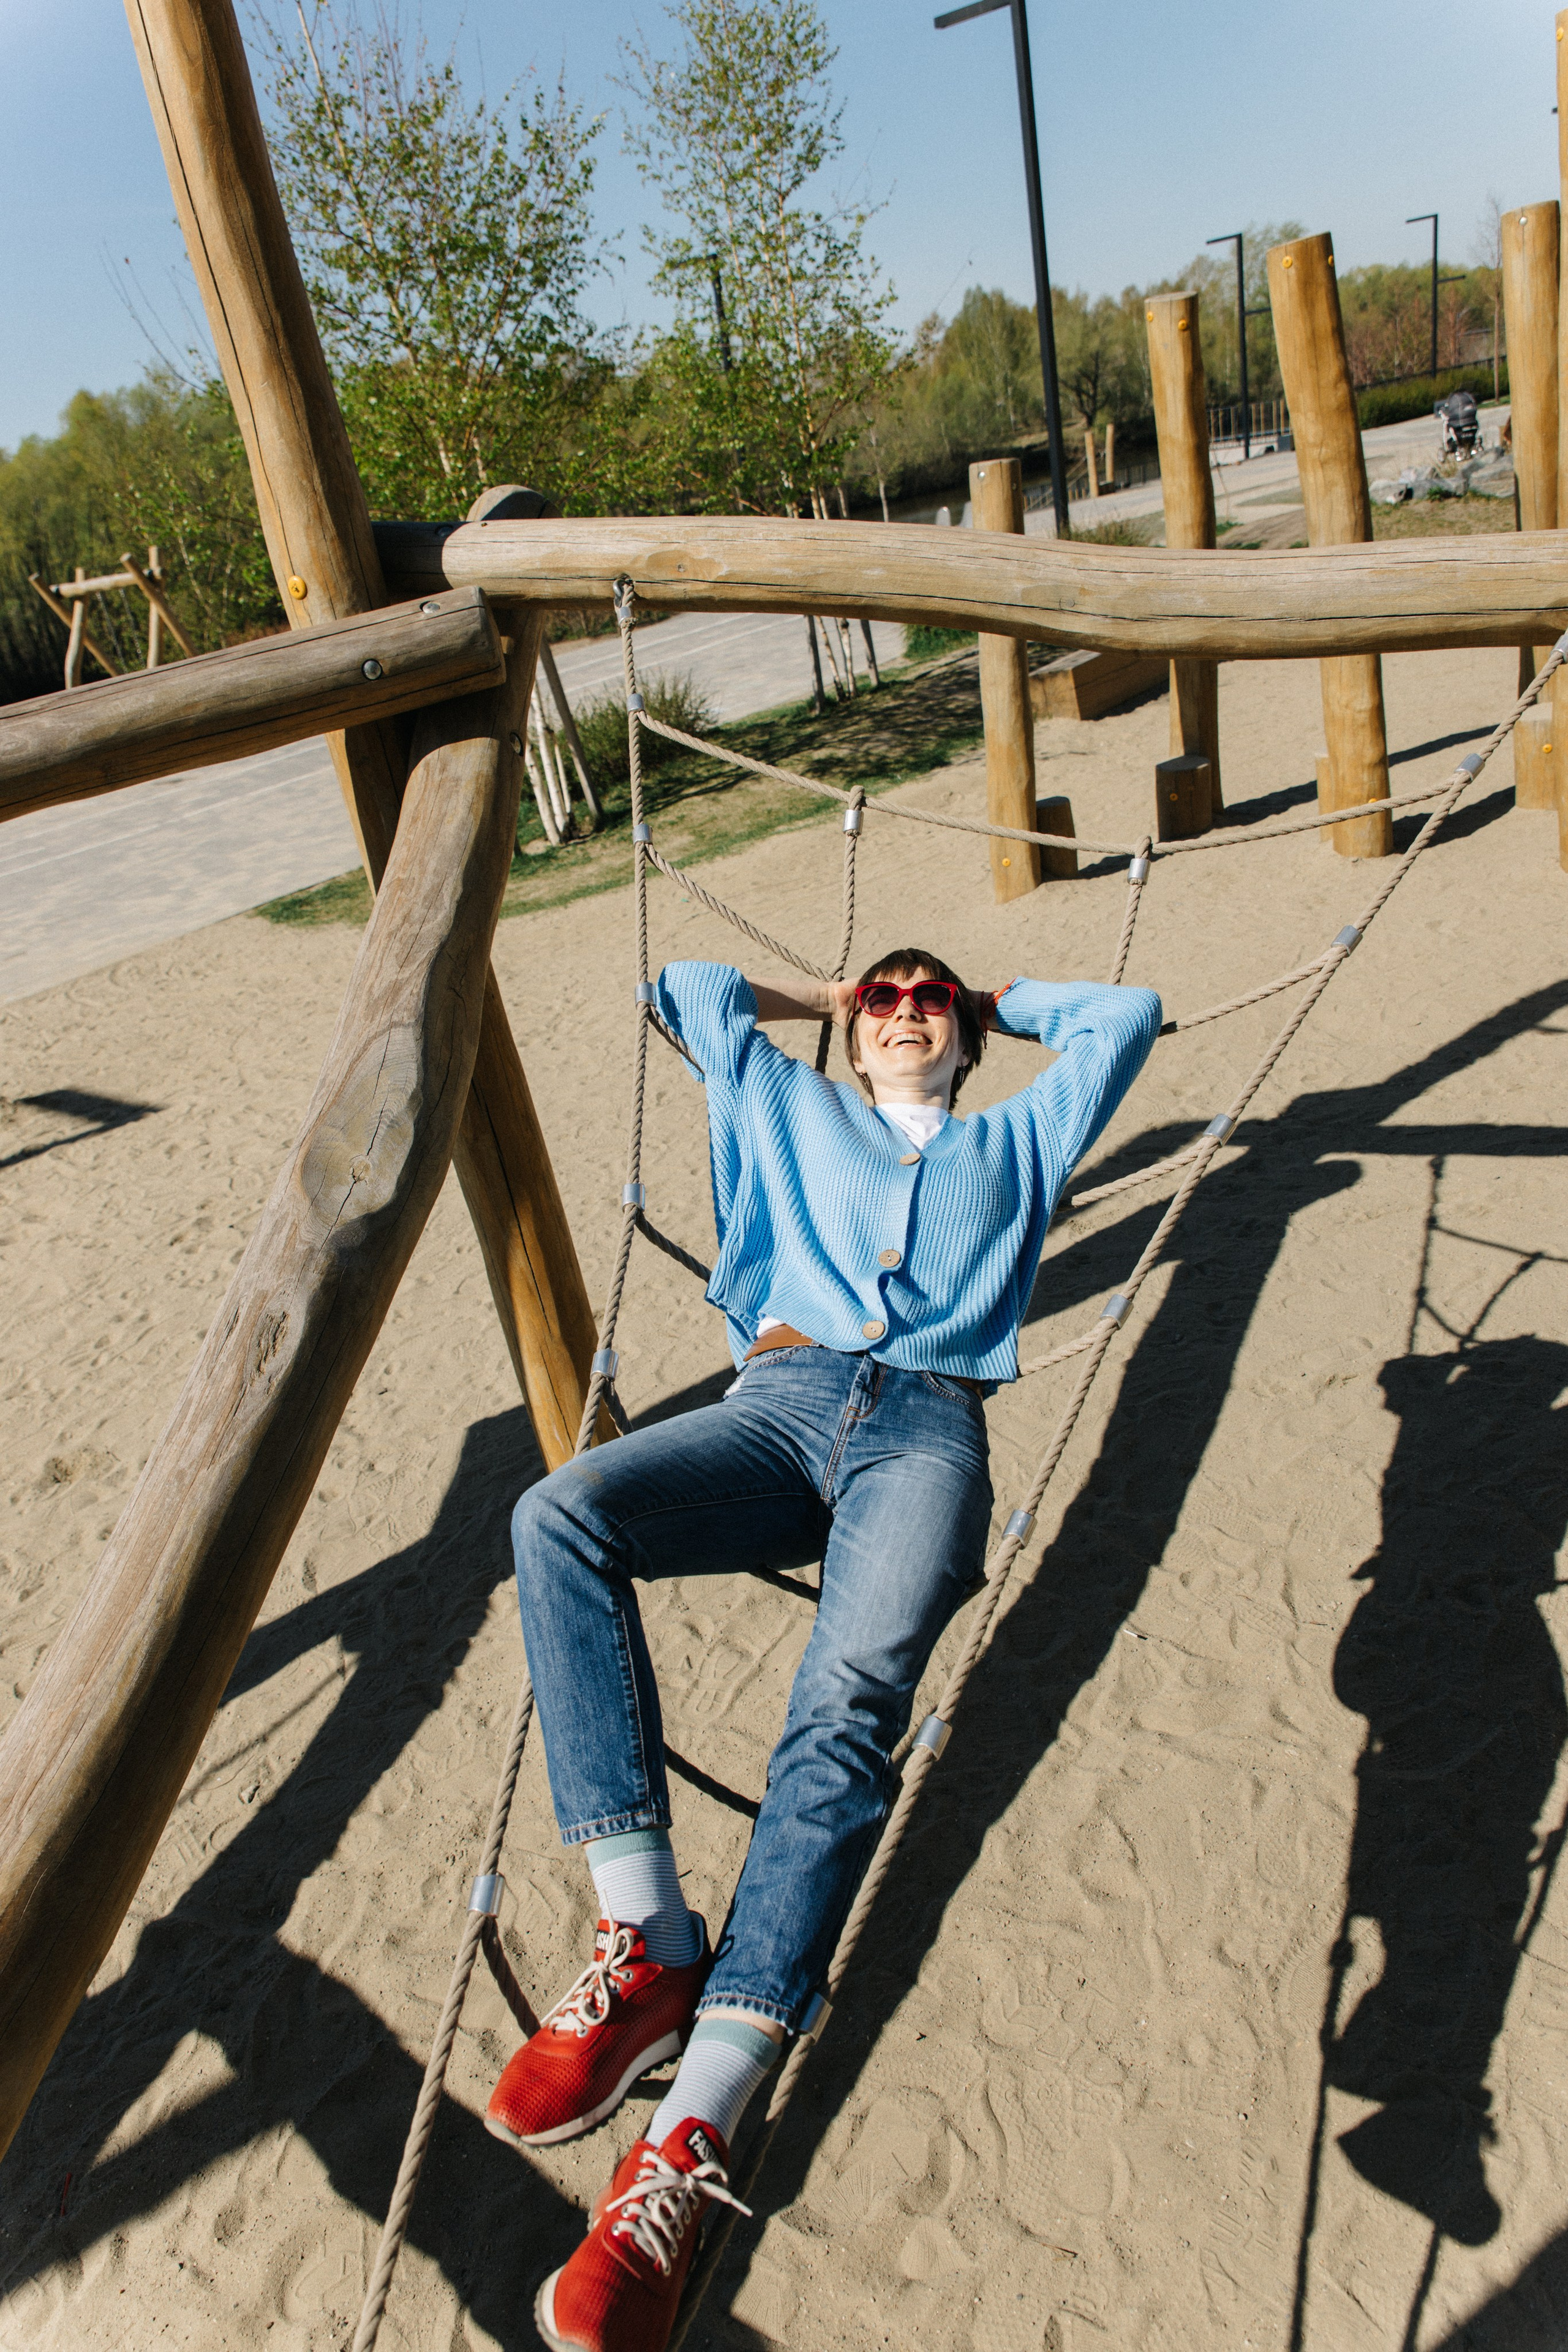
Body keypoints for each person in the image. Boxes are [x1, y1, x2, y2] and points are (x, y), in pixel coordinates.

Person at [488, 948, 1163, 2352]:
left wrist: (981, 998)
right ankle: (649, 1936)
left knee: (845, 1707)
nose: (903, 1010)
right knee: (560, 1517)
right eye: (886, 1002)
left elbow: (1122, 1018)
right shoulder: (784, 1106)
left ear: (967, 1042)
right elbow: (683, 984)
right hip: (779, 1404)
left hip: (927, 1429)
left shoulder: (1015, 1134)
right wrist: (837, 997)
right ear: (849, 1040)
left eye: (927, 1003)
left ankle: (682, 2142)